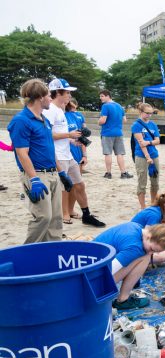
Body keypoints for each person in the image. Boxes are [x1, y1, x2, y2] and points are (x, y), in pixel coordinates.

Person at [8, 79, 65, 243]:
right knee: (43, 217)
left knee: (55, 219)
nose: (50, 98)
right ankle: (27, 253)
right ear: (40, 97)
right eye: (48, 95)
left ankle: (52, 253)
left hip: (52, 174)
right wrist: (34, 179)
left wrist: (61, 172)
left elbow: (49, 148)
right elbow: (21, 152)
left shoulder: (43, 119)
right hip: (37, 175)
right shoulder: (21, 120)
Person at [44, 79, 105, 229]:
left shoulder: (60, 110)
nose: (70, 95)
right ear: (58, 92)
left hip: (67, 153)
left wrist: (71, 141)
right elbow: (46, 135)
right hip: (58, 156)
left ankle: (86, 215)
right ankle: (61, 217)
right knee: (64, 188)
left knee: (80, 185)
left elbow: (59, 134)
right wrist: (68, 135)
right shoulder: (50, 110)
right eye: (67, 92)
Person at [95, 222, 165, 310]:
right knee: (145, 256)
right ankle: (123, 300)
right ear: (148, 237)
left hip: (90, 266)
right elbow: (108, 271)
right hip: (95, 284)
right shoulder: (135, 248)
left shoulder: (136, 226)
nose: (152, 253)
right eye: (152, 249)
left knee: (145, 254)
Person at [131, 102, 161, 210]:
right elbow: (140, 143)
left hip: (154, 154)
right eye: (147, 113)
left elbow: (158, 141)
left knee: (155, 182)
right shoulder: (136, 125)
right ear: (140, 112)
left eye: (151, 113)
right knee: (142, 181)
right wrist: (148, 158)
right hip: (141, 156)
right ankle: (143, 207)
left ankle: (153, 204)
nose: (149, 115)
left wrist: (149, 143)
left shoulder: (153, 124)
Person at [98, 89, 132, 180]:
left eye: (102, 96)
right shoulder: (119, 106)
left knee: (108, 153)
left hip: (107, 133)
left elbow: (103, 120)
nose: (100, 98)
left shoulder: (105, 106)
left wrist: (99, 121)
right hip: (118, 132)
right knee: (120, 154)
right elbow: (125, 120)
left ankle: (108, 173)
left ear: (108, 96)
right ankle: (123, 173)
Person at [64, 100, 88, 218]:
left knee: (76, 185)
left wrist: (84, 155)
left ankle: (70, 210)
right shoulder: (58, 115)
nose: (74, 108)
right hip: (63, 155)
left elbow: (82, 136)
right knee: (65, 186)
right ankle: (65, 212)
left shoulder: (77, 116)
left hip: (76, 154)